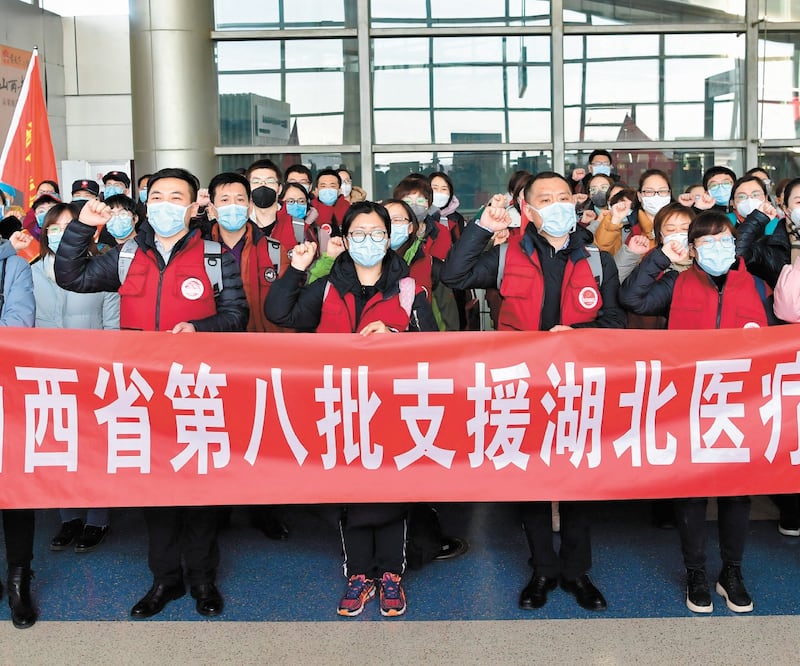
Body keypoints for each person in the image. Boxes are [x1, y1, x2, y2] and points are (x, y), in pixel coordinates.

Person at [54, 167, 249, 619]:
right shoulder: (126, 255)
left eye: (175, 196)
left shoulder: (215, 254)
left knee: (201, 492)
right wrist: (85, 224)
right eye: (156, 196)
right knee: (155, 491)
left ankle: (202, 578)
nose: (164, 204)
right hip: (142, 393)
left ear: (193, 204)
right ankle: (165, 579)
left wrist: (199, 328)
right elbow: (72, 276)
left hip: (198, 390)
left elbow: (237, 313)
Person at [441, 171, 625, 612]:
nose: (559, 204)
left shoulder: (598, 259)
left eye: (564, 196)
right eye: (547, 198)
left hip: (580, 385)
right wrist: (483, 227)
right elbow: (453, 275)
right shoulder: (505, 255)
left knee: (580, 481)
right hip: (521, 385)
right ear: (528, 208)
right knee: (534, 480)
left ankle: (577, 570)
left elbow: (616, 322)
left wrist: (577, 333)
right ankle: (542, 568)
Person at [265, 201, 437, 617]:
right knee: (351, 493)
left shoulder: (410, 289)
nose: (368, 241)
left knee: (393, 492)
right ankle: (359, 573)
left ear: (391, 237)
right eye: (358, 233)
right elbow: (278, 313)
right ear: (344, 238)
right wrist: (297, 269)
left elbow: (435, 349)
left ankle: (392, 575)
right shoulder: (326, 285)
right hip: (339, 408)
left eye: (377, 232)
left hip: (394, 409)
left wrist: (396, 334)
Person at [619, 210, 777, 614]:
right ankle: (696, 572)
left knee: (737, 494)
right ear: (692, 250)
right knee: (691, 493)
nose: (717, 248)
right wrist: (660, 258)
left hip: (740, 405)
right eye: (705, 242)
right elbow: (632, 298)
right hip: (687, 404)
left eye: (723, 238)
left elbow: (779, 338)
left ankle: (732, 572)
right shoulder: (677, 283)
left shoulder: (756, 285)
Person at [33, 202, 119, 553]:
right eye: (55, 227)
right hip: (47, 372)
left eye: (70, 226)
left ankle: (98, 519)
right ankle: (69, 517)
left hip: (93, 371)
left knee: (94, 447)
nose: (61, 233)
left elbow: (113, 323)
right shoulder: (32, 269)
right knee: (59, 445)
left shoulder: (102, 269)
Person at [0, 230, 38, 629]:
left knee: (13, 489)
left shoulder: (14, 264)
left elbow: (17, 322)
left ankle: (19, 578)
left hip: (7, 389)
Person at [312, 168, 350, 232]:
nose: (328, 189)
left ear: (339, 191)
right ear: (316, 190)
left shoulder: (348, 209)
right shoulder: (310, 209)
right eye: (323, 186)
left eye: (332, 186)